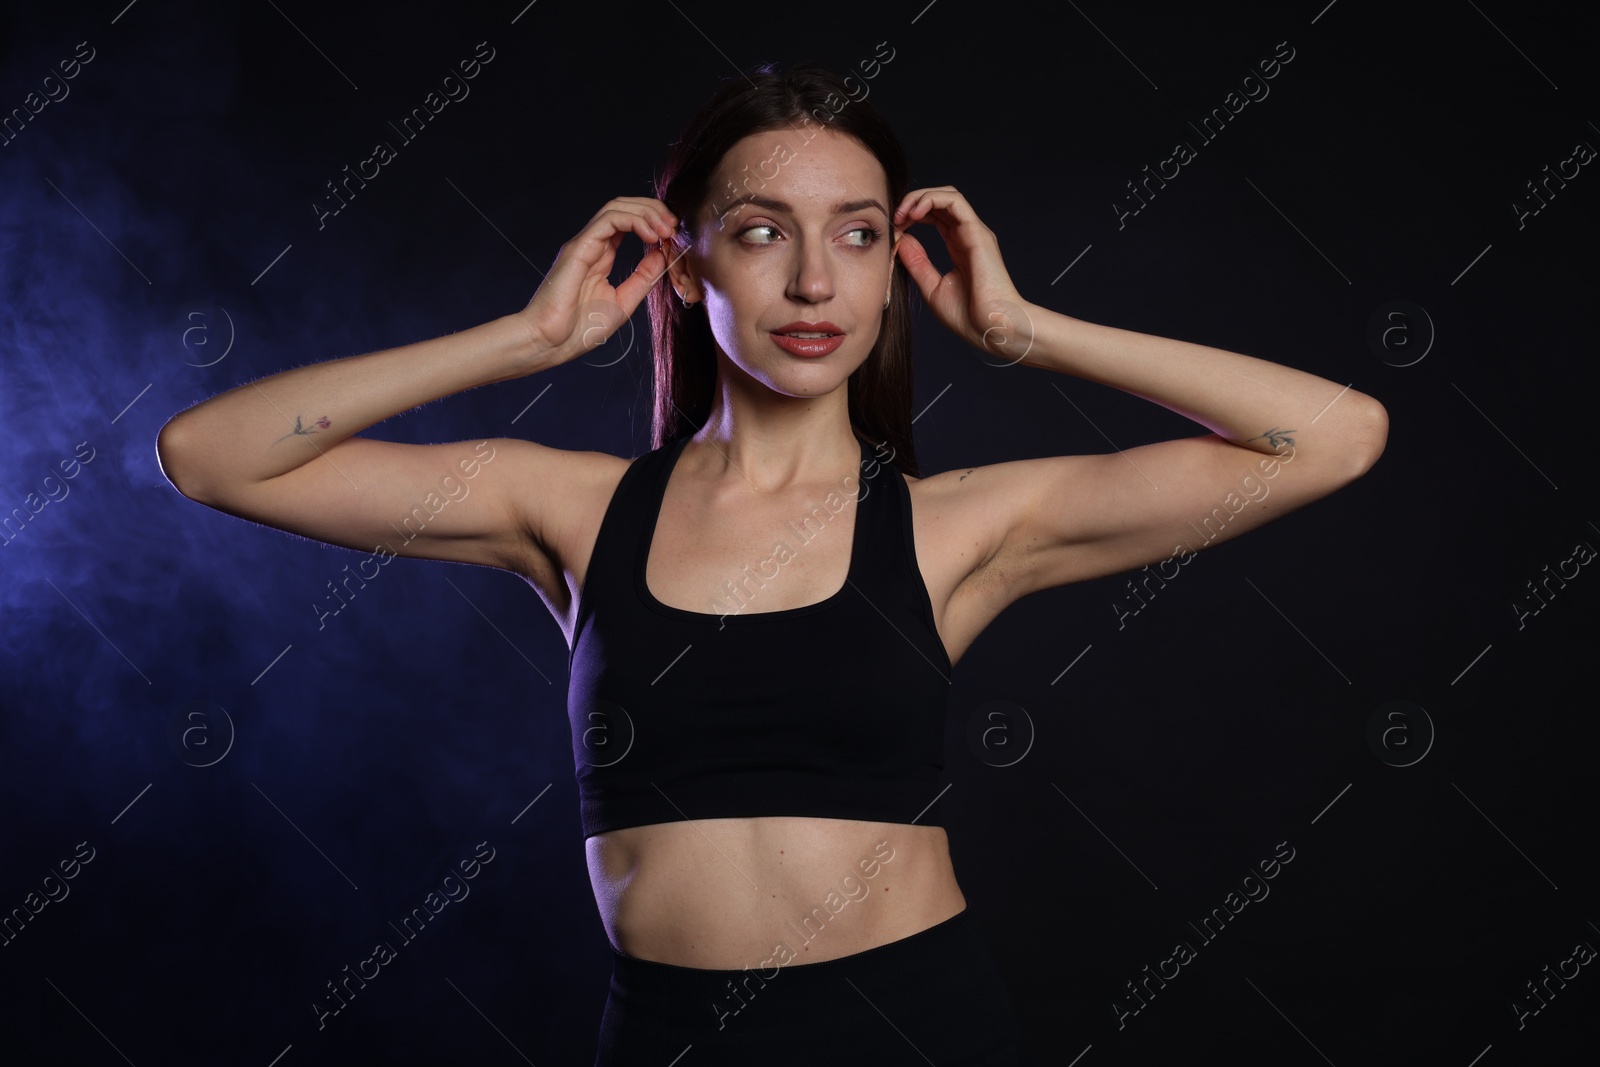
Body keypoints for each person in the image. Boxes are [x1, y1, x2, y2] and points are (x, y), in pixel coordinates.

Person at [157, 62, 1386, 1064]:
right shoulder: (572, 511)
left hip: (914, 1027)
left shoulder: (957, 526)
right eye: (761, 232)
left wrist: (1027, 331)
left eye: (855, 235)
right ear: (685, 268)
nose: (813, 280)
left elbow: (1334, 435)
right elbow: (214, 454)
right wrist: (524, 338)